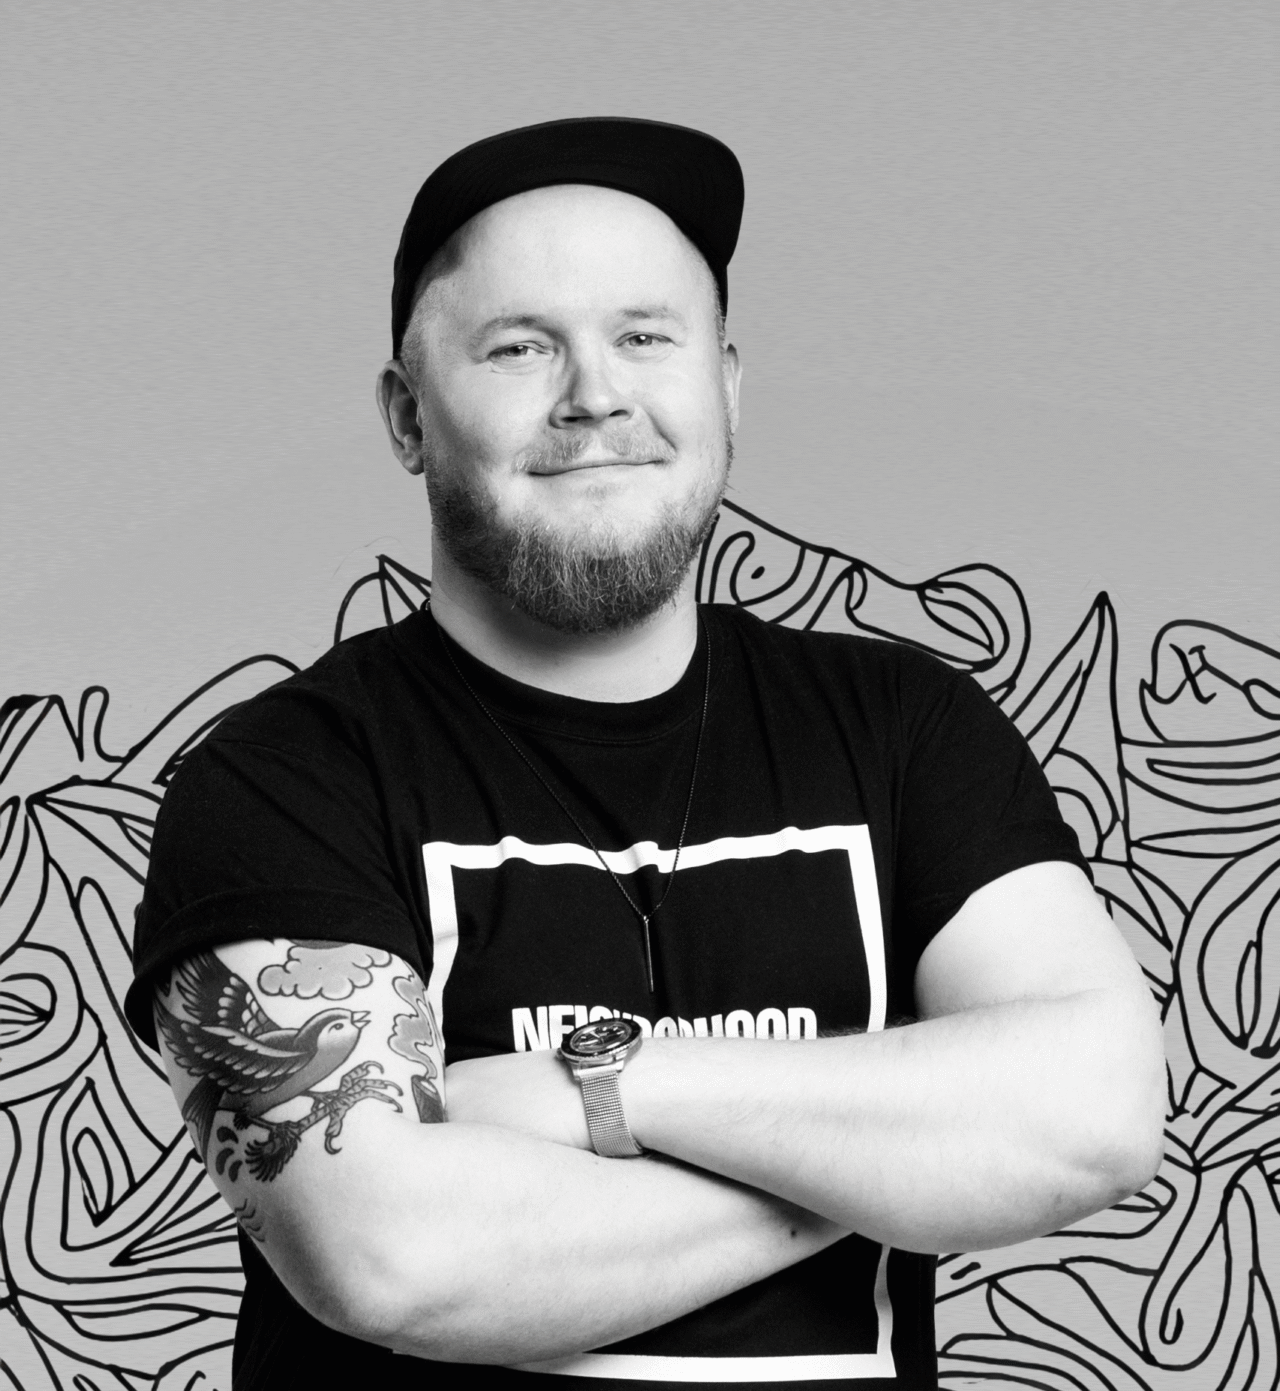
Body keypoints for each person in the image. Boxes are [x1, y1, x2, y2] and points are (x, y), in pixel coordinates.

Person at [125, 117, 1166, 1391]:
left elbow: (1096, 1113)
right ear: (406, 416)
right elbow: (391, 1257)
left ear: (724, 386)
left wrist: (605, 1086)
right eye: (520, 347)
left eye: (644, 337)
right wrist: (895, 1163)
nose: (594, 395)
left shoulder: (907, 728)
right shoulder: (283, 778)